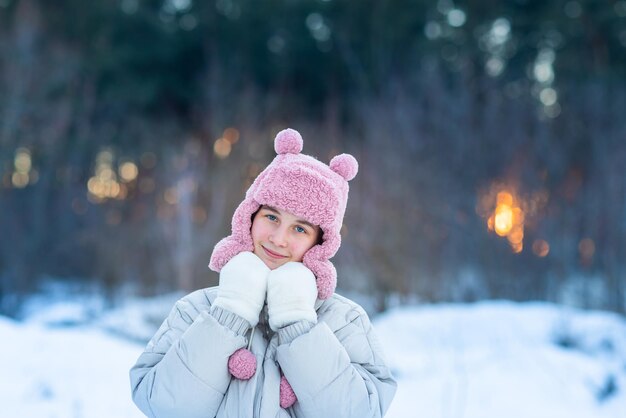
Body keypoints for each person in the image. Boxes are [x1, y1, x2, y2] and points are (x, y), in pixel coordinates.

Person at [129, 128, 397, 417]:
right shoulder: (196, 309)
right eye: (271, 217)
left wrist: (298, 323)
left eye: (299, 228)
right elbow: (161, 405)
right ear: (249, 217)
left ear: (319, 244)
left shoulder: (345, 321)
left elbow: (361, 413)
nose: (278, 238)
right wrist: (229, 315)